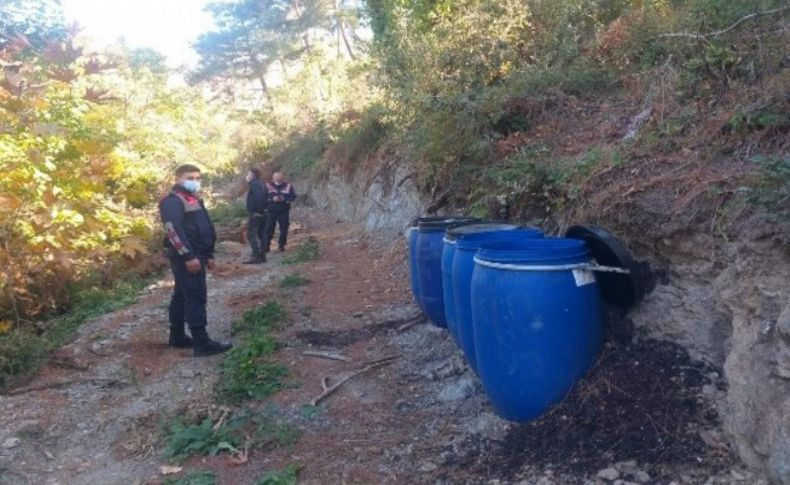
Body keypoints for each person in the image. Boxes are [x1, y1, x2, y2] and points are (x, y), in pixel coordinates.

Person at [159, 164, 233, 357]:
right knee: (195, 297)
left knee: (182, 295)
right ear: (178, 179)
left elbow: (204, 227)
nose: (195, 181)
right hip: (187, 257)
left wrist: (209, 254)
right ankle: (202, 343)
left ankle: (177, 337)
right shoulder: (172, 201)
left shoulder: (193, 199)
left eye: (197, 177)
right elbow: (173, 230)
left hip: (198, 254)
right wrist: (188, 256)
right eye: (189, 177)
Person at [264, 171, 296, 253]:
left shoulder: (288, 186)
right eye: (276, 178)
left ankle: (281, 246)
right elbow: (263, 197)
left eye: (280, 178)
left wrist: (284, 199)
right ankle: (266, 246)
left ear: (282, 178)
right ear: (273, 178)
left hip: (283, 211)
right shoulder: (268, 185)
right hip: (271, 211)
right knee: (269, 229)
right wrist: (271, 199)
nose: (278, 179)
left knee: (284, 229)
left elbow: (293, 197)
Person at [244, 167, 268, 264]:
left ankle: (256, 256)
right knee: (262, 234)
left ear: (252, 175)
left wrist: (258, 211)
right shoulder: (261, 183)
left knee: (251, 234)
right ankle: (262, 256)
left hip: (257, 213)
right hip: (264, 212)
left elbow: (259, 198)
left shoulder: (254, 184)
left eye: (248, 174)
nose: (247, 176)